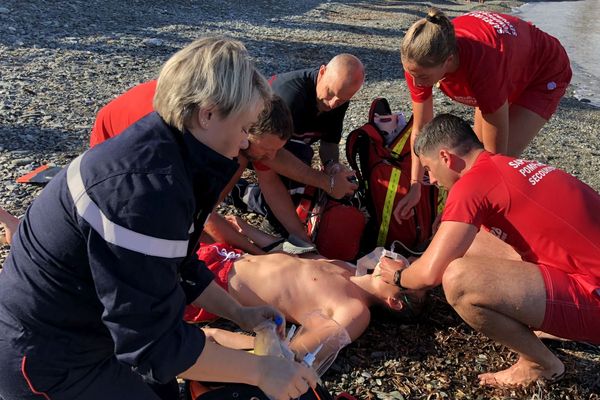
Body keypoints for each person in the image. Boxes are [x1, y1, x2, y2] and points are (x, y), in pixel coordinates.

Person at [0, 37, 317, 400]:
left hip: (90, 328)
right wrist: (262, 371)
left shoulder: (168, 152)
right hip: (47, 358)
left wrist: (240, 313)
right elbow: (153, 344)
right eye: (244, 128)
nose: (246, 143)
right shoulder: (143, 190)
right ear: (208, 113)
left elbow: (177, 264)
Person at [379, 114, 600, 387]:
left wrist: (400, 277)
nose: (433, 180)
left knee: (457, 280)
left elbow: (429, 276)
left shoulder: (471, 186)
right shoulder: (504, 165)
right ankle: (552, 324)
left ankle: (539, 364)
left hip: (593, 295)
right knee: (469, 240)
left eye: (429, 169)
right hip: (584, 270)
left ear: (446, 157)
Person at [395, 8, 572, 221]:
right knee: (473, 162)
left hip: (543, 71)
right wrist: (415, 186)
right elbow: (421, 128)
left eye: (422, 76)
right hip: (504, 64)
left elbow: (493, 161)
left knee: (494, 165)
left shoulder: (483, 65)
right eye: (411, 74)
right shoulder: (418, 60)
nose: (415, 83)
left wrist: (455, 217)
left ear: (448, 60)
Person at [235, 54, 364, 236]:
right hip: (249, 146)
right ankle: (271, 220)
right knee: (301, 156)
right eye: (330, 93)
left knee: (310, 169)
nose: (333, 103)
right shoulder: (291, 96)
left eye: (342, 99)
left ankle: (253, 198)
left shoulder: (338, 99)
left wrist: (332, 167)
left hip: (272, 149)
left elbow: (329, 142)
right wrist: (328, 183)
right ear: (322, 72)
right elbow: (271, 157)